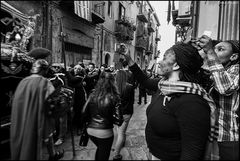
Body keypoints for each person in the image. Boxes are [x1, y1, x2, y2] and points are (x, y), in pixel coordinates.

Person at [121, 43, 217, 160]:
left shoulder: (192, 103)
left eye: (165, 58)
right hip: (155, 154)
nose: (160, 62)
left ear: (176, 65)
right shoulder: (163, 85)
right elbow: (145, 81)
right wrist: (128, 58)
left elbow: (191, 153)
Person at [10, 59, 64, 160]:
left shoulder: (23, 81)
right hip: (39, 115)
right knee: (45, 135)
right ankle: (51, 155)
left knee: (37, 136)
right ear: (44, 70)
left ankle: (52, 155)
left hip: (22, 115)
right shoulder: (44, 82)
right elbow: (51, 101)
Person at [195, 37, 239, 160]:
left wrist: (209, 51)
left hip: (231, 139)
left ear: (233, 57)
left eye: (220, 49)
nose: (214, 52)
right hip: (216, 136)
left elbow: (225, 88)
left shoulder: (236, 70)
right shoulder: (219, 72)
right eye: (214, 49)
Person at [81, 72, 123, 160]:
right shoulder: (115, 97)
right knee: (103, 155)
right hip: (105, 132)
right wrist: (109, 117)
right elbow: (119, 120)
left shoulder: (93, 93)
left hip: (90, 130)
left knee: (100, 150)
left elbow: (84, 112)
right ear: (113, 82)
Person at [113, 70, 135, 161]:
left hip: (116, 113)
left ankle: (118, 145)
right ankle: (116, 155)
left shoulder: (114, 87)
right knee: (121, 133)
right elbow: (132, 101)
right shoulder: (130, 87)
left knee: (119, 131)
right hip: (126, 112)